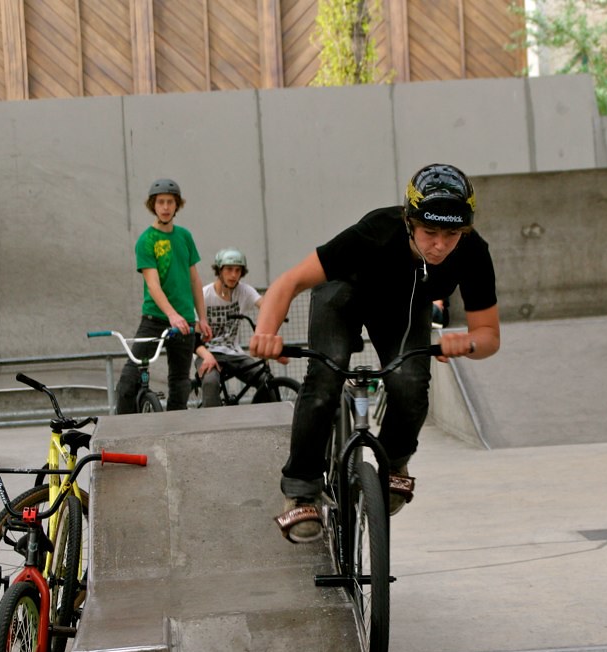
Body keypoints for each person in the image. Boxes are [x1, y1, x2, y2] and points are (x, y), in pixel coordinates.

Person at [250, 163, 500, 543]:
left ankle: (394, 462)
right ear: (409, 222)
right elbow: (290, 281)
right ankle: (302, 490)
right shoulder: (375, 232)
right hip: (342, 296)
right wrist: (266, 333)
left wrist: (468, 342)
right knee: (324, 380)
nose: (439, 245)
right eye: (429, 232)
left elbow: (489, 335)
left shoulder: (473, 252)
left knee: (410, 381)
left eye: (451, 235)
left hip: (403, 307)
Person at [116, 178, 212, 413]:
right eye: (161, 202)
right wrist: (171, 315)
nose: (166, 207)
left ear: (177, 205)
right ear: (153, 205)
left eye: (170, 202)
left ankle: (175, 427)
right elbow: (153, 284)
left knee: (180, 383)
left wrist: (202, 317)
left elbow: (194, 280)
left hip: (185, 321)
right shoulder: (146, 240)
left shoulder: (184, 236)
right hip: (155, 319)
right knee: (129, 380)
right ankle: (123, 426)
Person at [193, 248, 277, 407]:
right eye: (229, 269)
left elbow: (266, 306)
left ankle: (268, 417)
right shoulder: (204, 295)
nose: (233, 275)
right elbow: (194, 339)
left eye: (238, 270)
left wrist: (276, 312)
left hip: (233, 353)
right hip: (207, 352)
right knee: (210, 382)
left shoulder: (244, 291)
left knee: (265, 380)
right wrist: (207, 356)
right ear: (219, 270)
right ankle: (213, 421)